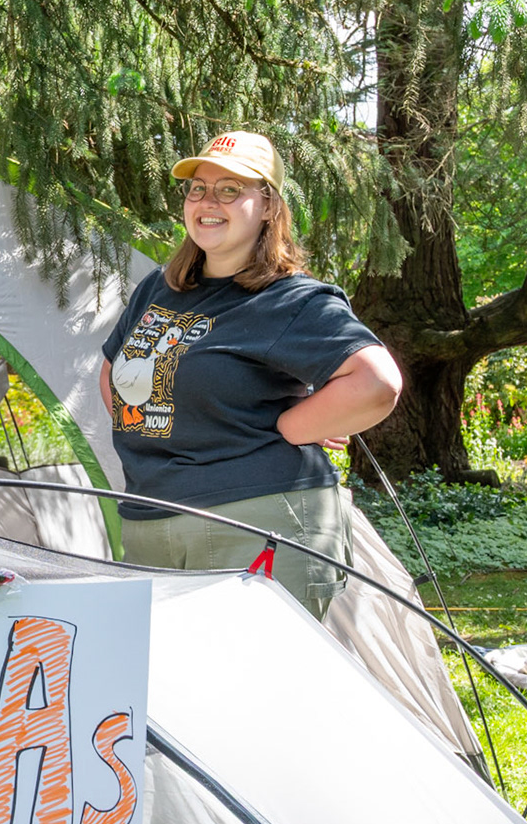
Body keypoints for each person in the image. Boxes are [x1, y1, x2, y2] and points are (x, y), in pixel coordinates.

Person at [100, 131, 402, 618]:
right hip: (149, 518)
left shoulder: (290, 298)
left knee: (258, 671)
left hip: (257, 522)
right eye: (197, 188)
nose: (207, 202)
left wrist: (291, 426)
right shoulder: (159, 287)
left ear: (267, 206)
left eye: (229, 189)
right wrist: (162, 425)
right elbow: (112, 373)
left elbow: (376, 382)